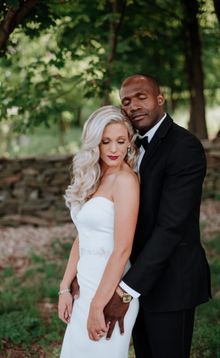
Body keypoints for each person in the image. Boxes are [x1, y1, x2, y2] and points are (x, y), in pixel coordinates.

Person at [99, 74, 211, 358]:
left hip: (171, 282)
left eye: (141, 97)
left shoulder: (184, 147)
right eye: (126, 101)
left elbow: (171, 227)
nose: (133, 105)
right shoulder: (125, 146)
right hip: (134, 276)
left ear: (160, 100)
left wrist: (126, 290)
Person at [58, 105, 140, 358]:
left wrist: (98, 306)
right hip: (84, 287)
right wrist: (64, 288)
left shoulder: (125, 181)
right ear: (95, 143)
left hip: (107, 291)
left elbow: (123, 249)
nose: (114, 149)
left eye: (120, 141)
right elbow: (83, 236)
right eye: (106, 142)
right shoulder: (94, 174)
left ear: (129, 142)